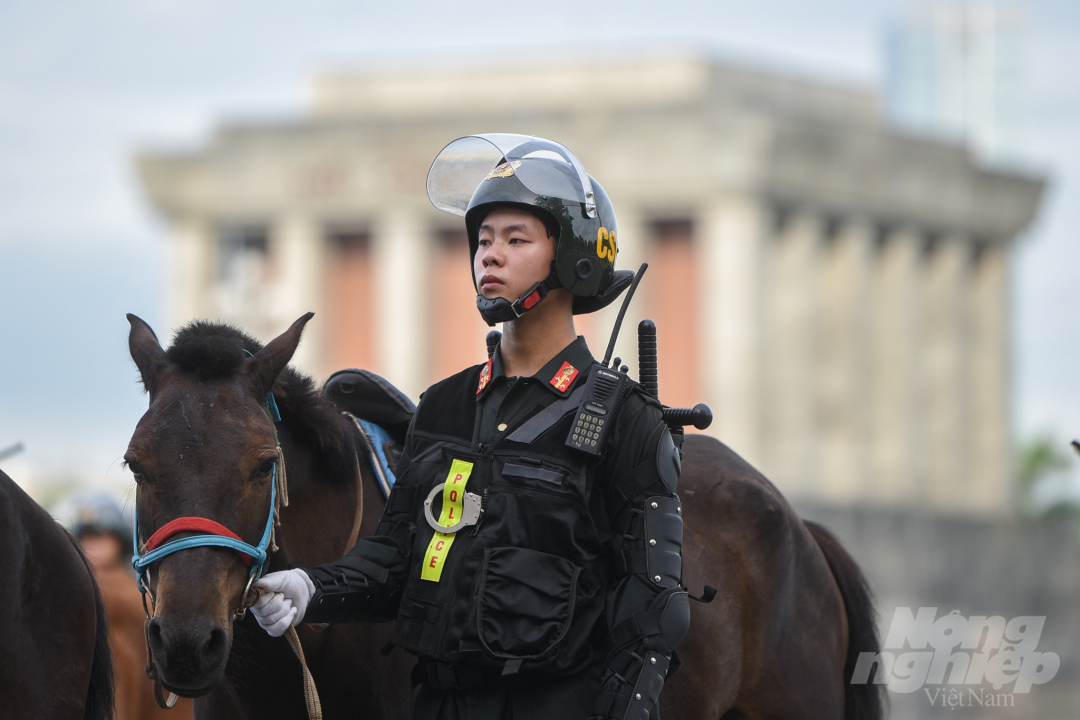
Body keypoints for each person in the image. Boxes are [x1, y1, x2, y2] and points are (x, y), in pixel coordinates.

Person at [251, 134, 688, 720]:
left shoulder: (627, 421)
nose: (490, 255)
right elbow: (397, 559)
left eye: (515, 239)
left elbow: (654, 609)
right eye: (482, 240)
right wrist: (311, 587)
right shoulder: (442, 407)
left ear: (575, 256)